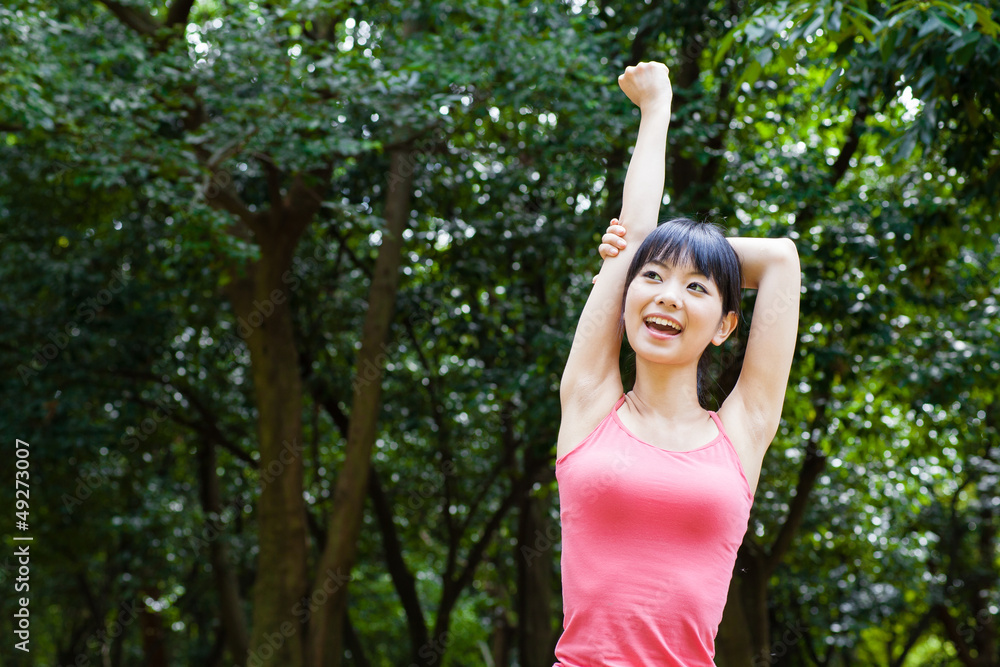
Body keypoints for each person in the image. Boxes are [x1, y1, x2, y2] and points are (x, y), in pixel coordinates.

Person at [554, 61, 801, 666]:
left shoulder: (742, 431)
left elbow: (781, 260)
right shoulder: (588, 401)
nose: (667, 295)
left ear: (725, 326)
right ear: (627, 297)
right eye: (654, 277)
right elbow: (635, 229)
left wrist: (680, 251)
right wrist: (656, 105)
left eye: (696, 289)